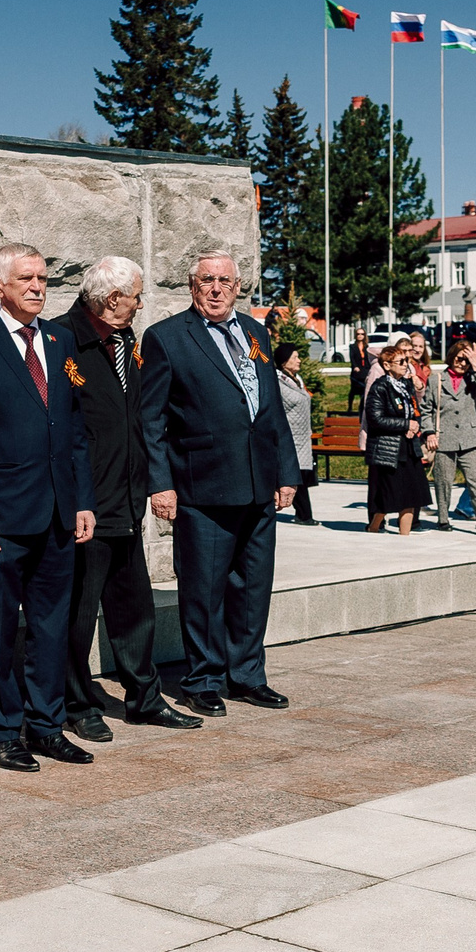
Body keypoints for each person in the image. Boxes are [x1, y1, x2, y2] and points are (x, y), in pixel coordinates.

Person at [0, 243, 97, 771]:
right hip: (2, 519)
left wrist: (81, 502)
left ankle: (47, 725)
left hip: (58, 515)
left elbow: (76, 429)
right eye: (26, 278)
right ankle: (3, 730)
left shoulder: (60, 340)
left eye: (42, 278)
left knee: (52, 627)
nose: (37, 286)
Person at [140, 249, 301, 716]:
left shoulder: (255, 332)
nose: (216, 289)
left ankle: (247, 675)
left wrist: (287, 472)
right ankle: (202, 678)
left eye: (225, 281)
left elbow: (270, 408)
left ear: (238, 286)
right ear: (192, 286)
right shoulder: (167, 338)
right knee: (204, 589)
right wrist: (160, 483)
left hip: (258, 484)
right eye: (207, 280)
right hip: (201, 487)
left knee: (254, 586)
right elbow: (150, 421)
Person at [61, 258, 201, 739]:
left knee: (134, 605)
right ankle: (76, 704)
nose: (141, 303)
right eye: (135, 296)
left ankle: (144, 697)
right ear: (110, 299)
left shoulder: (126, 342)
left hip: (126, 497)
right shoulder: (62, 341)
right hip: (86, 504)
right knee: (79, 612)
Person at [364, 344, 430, 535]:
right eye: (400, 362)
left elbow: (413, 411)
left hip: (408, 446)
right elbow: (375, 418)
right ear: (387, 365)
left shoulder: (405, 385)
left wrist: (414, 425)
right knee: (388, 495)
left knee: (412, 494)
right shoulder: (380, 387)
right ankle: (374, 527)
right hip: (389, 449)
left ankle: (405, 536)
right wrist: (404, 425)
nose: (405, 365)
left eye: (407, 361)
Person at [430, 339, 476, 534]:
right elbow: (426, 409)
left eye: (466, 361)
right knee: (443, 480)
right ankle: (443, 518)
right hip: (444, 436)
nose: (462, 364)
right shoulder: (437, 379)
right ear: (451, 357)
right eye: (459, 359)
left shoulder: (472, 378)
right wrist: (429, 432)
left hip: (469, 436)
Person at [272, 341, 320, 525]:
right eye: (295, 357)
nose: (299, 360)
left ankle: (304, 514)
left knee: (300, 477)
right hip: (289, 437)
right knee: (295, 476)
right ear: (285, 362)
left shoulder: (297, 379)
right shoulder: (278, 382)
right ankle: (304, 515)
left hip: (302, 437)